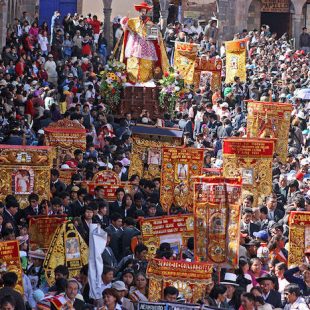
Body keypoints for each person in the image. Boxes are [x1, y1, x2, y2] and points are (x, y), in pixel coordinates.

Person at [120, 1, 169, 82]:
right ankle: (132, 80)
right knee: (134, 63)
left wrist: (156, 35)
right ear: (139, 11)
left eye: (144, 11)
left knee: (147, 66)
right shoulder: (133, 21)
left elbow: (155, 36)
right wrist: (126, 22)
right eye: (141, 11)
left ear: (146, 12)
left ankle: (147, 80)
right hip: (135, 47)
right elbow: (124, 23)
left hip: (147, 48)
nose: (143, 13)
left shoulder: (151, 24)